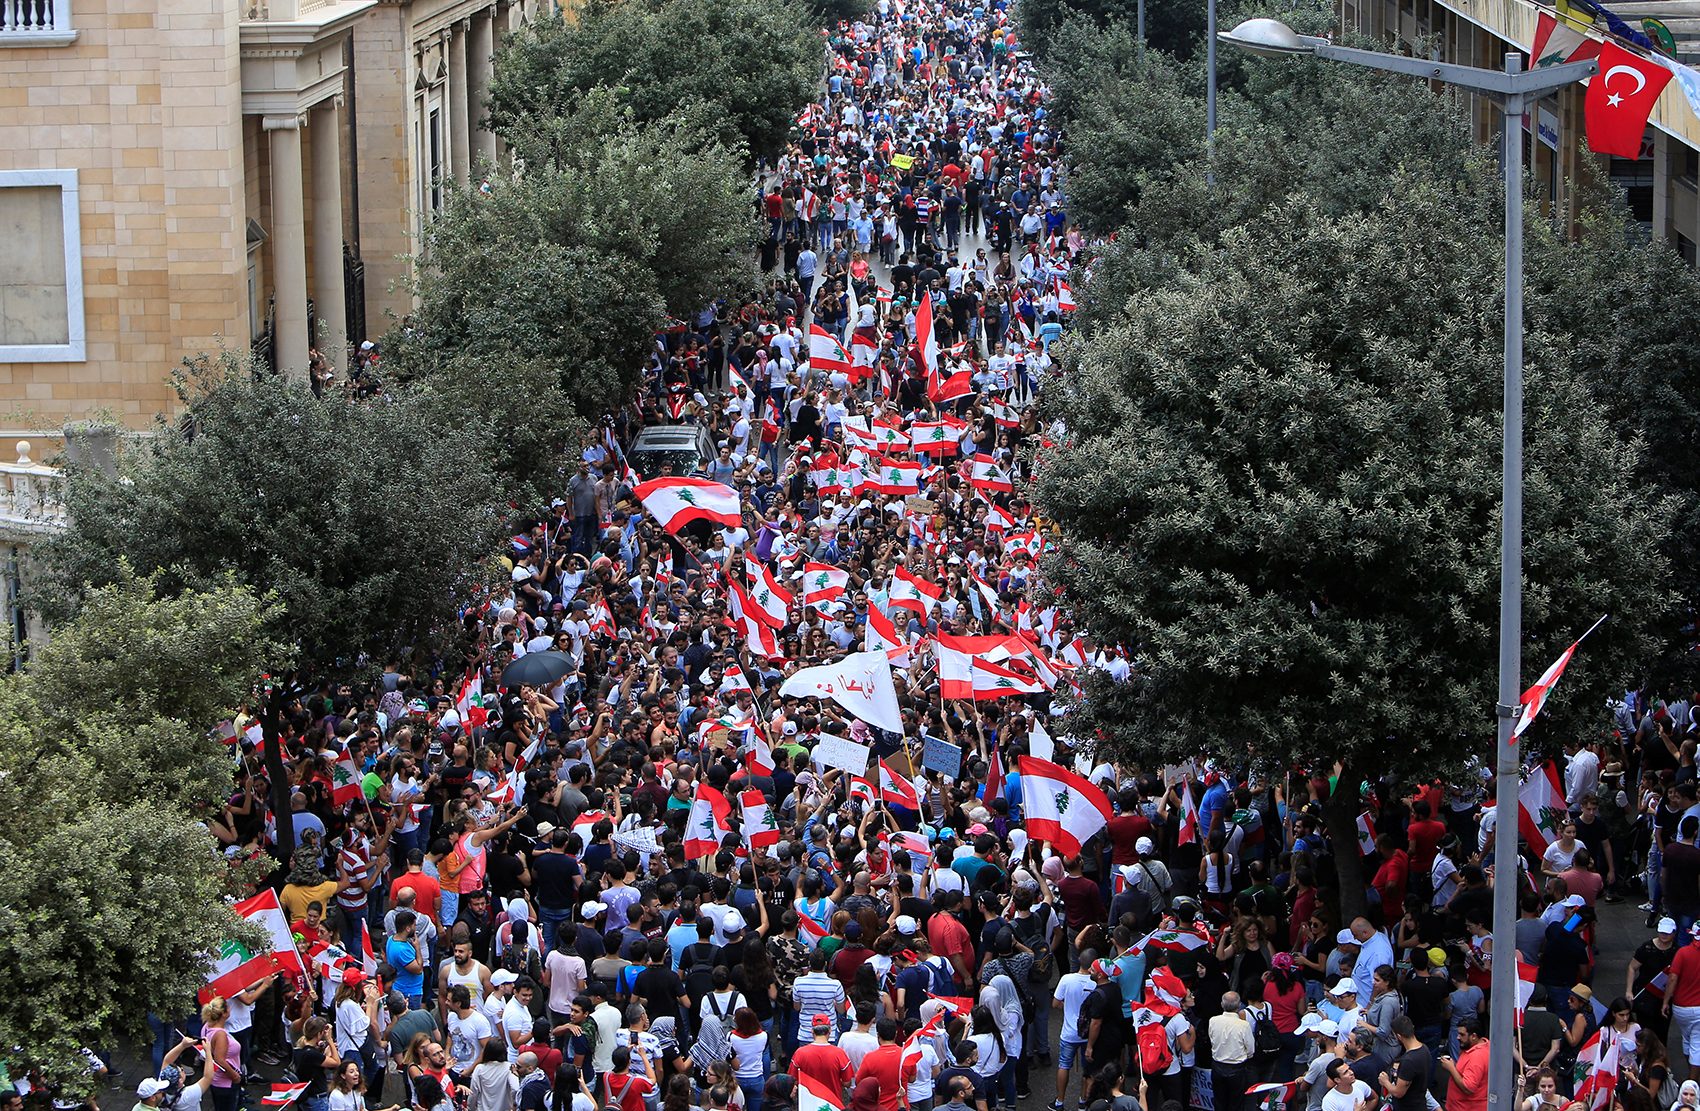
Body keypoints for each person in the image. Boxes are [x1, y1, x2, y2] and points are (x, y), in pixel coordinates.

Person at [1436, 1019, 1488, 1111]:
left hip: (1465, 1107)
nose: (1458, 1037)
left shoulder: (1477, 1057)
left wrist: (1451, 1068)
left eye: (1462, 1035)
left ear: (1474, 1036)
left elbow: (1468, 1088)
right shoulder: (1483, 1045)